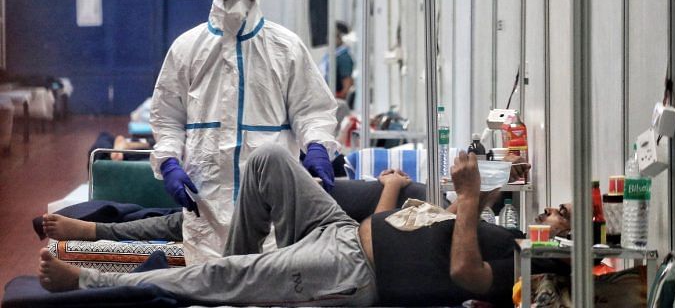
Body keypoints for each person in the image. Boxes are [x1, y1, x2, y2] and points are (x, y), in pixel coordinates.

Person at [38, 145, 557, 307]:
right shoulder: (497, 228)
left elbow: (466, 275)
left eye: (562, 218)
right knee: (266, 161)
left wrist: (468, 199)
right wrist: (484, 191)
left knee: (223, 276)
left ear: (560, 253)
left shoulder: (518, 263)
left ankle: (89, 280)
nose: (552, 212)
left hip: (353, 269)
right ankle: (227, 272)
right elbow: (410, 229)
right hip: (342, 230)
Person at [150, 0, 339, 264]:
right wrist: (168, 161)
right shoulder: (187, 48)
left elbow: (314, 111)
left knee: (267, 291)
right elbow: (167, 116)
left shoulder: (286, 47)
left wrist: (318, 146)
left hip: (273, 215)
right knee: (210, 292)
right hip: (206, 206)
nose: (240, 2)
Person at [320, 21, 355, 102]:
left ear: (340, 37)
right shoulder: (331, 55)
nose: (328, 38)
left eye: (333, 36)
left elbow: (347, 86)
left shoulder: (343, 57)